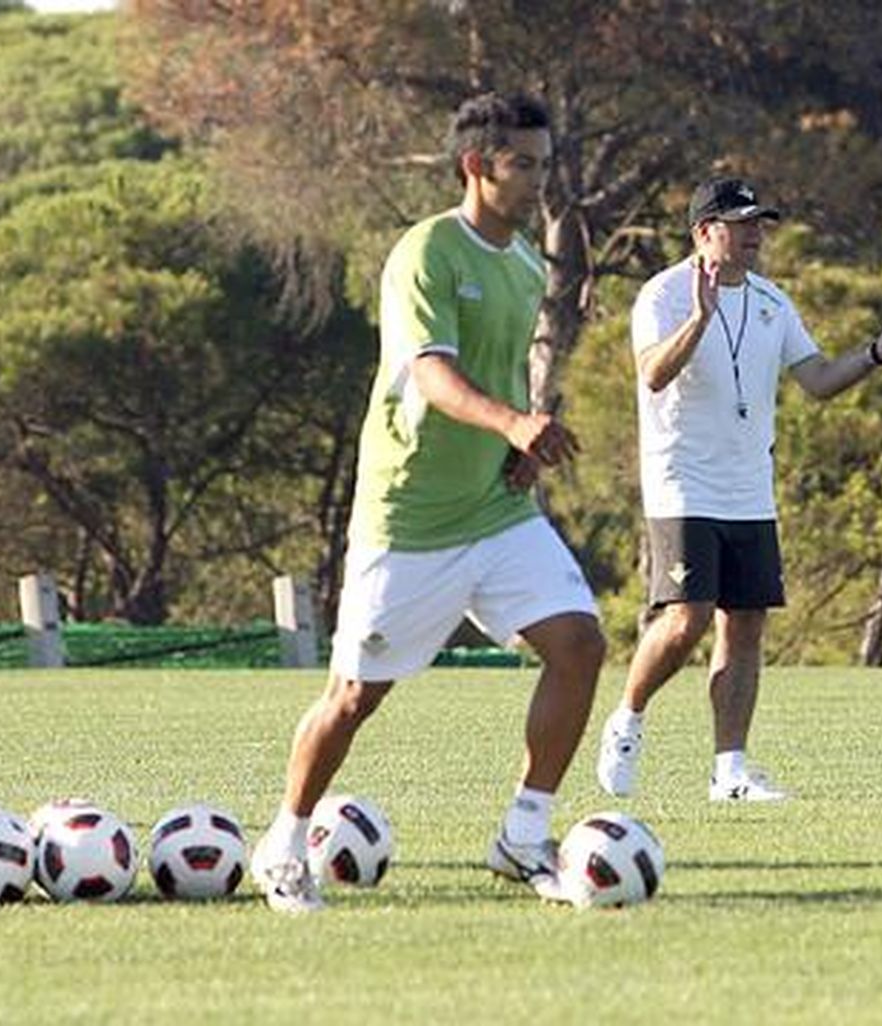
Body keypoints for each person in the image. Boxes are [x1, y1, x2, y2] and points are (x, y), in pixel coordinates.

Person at [248, 92, 606, 913]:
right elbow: (432, 374)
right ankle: (284, 844)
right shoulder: (426, 253)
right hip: (410, 518)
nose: (540, 182)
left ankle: (523, 835)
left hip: (495, 510)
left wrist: (518, 447)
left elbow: (502, 372)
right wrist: (513, 422)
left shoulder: (525, 264)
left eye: (545, 165)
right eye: (524, 165)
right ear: (476, 166)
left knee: (580, 644)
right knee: (354, 698)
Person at [595, 177, 882, 802]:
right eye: (742, 223)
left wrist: (876, 353)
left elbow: (818, 378)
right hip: (682, 482)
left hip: (749, 488)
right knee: (687, 618)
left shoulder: (771, 301)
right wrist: (700, 319)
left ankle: (729, 771)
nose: (756, 234)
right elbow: (652, 374)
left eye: (760, 223)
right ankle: (627, 718)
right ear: (705, 232)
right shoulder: (664, 294)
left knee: (746, 624)